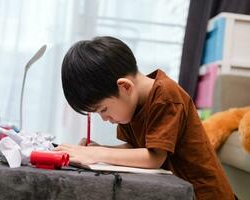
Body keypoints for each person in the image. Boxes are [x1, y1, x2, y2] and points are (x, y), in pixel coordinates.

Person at [55, 36, 235, 199]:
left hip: (205, 195)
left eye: (103, 109)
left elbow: (154, 157)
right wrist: (100, 148)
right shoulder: (130, 106)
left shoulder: (166, 96)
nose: (104, 118)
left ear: (125, 87)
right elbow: (135, 148)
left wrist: (95, 154)